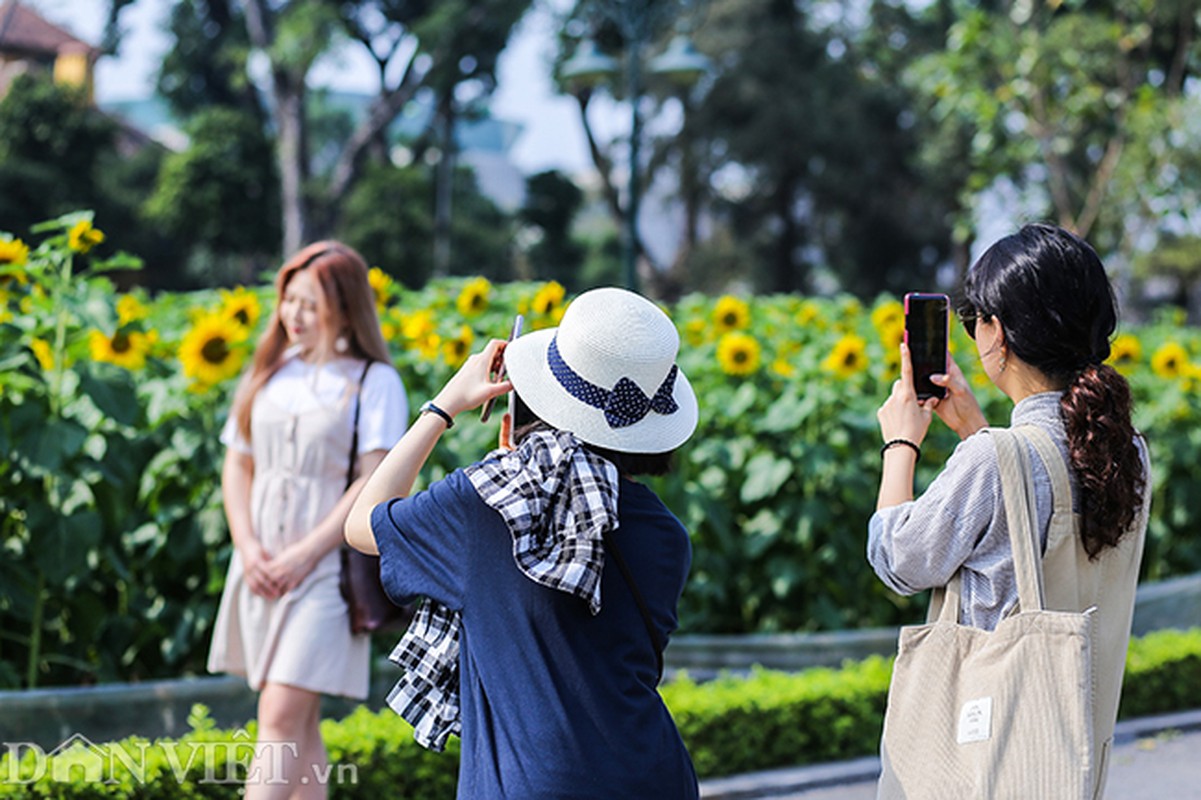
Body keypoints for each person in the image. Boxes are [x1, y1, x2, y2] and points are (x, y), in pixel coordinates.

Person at [345, 287, 701, 798]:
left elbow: (362, 523)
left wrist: (443, 406)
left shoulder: (483, 507)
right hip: (654, 777)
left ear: (526, 403)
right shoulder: (668, 536)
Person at [869, 222, 1150, 794]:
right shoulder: (1128, 449)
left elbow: (899, 559)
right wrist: (978, 432)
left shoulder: (998, 461)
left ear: (998, 333)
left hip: (984, 763)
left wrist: (901, 441)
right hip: (1068, 757)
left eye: (975, 321)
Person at [207, 241, 408, 799]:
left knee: (277, 714)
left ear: (345, 308)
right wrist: (248, 548)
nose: (293, 315)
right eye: (288, 300)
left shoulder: (374, 381)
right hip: (260, 561)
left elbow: (371, 481)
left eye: (309, 303)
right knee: (299, 726)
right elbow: (238, 464)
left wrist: (302, 556)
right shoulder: (273, 370)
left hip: (326, 569)